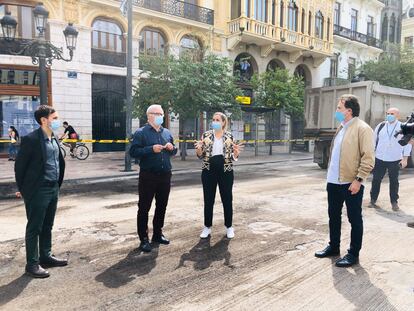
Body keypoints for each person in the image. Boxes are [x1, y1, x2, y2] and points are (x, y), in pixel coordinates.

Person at [315, 95, 375, 267]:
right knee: (333, 216)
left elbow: (369, 158)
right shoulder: (341, 127)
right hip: (333, 182)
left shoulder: (363, 129)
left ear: (349, 111)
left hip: (351, 182)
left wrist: (359, 180)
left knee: (354, 219)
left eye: (339, 108)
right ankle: (334, 247)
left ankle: (353, 254)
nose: (336, 111)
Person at [14, 105, 67, 278]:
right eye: (55, 118)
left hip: (53, 188)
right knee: (34, 227)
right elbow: (19, 167)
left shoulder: (54, 139)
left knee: (47, 225)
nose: (58, 121)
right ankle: (32, 264)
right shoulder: (31, 139)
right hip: (37, 190)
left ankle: (46, 256)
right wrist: (24, 190)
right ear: (44, 120)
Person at [129, 104, 177, 253]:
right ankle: (143, 239)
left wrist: (171, 148)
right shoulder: (141, 133)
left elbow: (174, 151)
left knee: (162, 205)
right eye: (156, 113)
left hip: (165, 175)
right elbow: (133, 152)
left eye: (161, 113)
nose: (160, 116)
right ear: (149, 115)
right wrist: (151, 149)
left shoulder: (167, 132)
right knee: (144, 207)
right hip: (148, 176)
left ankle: (157, 234)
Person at [195, 112, 243, 239]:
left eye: (217, 120)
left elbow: (233, 157)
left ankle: (229, 226)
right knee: (208, 199)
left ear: (223, 122)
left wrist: (236, 153)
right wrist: (199, 149)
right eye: (213, 119)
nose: (214, 122)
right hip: (208, 170)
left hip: (225, 170)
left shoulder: (229, 136)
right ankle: (207, 227)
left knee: (227, 199)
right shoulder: (206, 135)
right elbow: (200, 155)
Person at [369, 108, 412, 211]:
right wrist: (371, 155)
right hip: (380, 157)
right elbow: (373, 141)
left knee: (394, 181)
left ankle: (394, 202)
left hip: (395, 158)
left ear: (397, 115)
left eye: (392, 114)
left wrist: (405, 159)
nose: (389, 115)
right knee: (376, 180)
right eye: (388, 113)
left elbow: (407, 144)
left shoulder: (403, 127)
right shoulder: (381, 126)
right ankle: (373, 200)